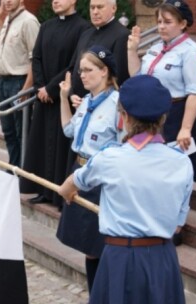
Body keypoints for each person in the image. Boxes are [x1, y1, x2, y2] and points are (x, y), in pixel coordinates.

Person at [58, 75, 192, 304]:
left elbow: (69, 186)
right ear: (163, 118)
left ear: (124, 116)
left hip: (122, 257)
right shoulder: (182, 162)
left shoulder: (109, 158)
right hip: (163, 258)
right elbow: (178, 223)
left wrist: (68, 192)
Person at [56, 45, 120, 293]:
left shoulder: (117, 104)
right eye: (81, 70)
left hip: (101, 179)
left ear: (104, 71)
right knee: (88, 245)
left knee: (100, 245)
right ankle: (96, 295)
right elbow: (68, 130)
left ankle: (105, 295)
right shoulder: (87, 102)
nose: (82, 75)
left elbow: (124, 145)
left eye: (88, 70)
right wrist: (64, 99)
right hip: (79, 172)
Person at [127, 0, 196, 185]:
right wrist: (132, 50)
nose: (161, 26)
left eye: (167, 22)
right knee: (150, 167)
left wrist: (186, 128)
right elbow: (137, 76)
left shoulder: (192, 52)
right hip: (151, 116)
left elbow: (195, 93)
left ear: (182, 24)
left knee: (172, 170)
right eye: (159, 22)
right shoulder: (156, 48)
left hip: (175, 116)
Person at [20, 0, 90, 207]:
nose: (55, 1)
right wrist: (40, 87)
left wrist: (51, 89)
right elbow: (37, 58)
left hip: (63, 96)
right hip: (44, 97)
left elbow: (74, 64)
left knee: (61, 145)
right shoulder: (46, 26)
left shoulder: (82, 28)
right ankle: (43, 190)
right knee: (42, 145)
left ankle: (59, 194)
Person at [0, 0, 40, 167]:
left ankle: (24, 172)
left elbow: (36, 59)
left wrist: (26, 89)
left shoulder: (28, 21)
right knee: (8, 131)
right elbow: (6, 44)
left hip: (19, 82)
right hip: (3, 81)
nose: (7, 1)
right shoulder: (8, 18)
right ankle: (13, 167)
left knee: (22, 132)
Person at [68, 0, 130, 102]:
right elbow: (73, 67)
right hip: (77, 104)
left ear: (114, 8)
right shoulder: (85, 34)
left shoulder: (122, 35)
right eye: (92, 8)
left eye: (100, 7)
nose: (95, 12)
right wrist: (71, 94)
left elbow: (118, 76)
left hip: (103, 105)